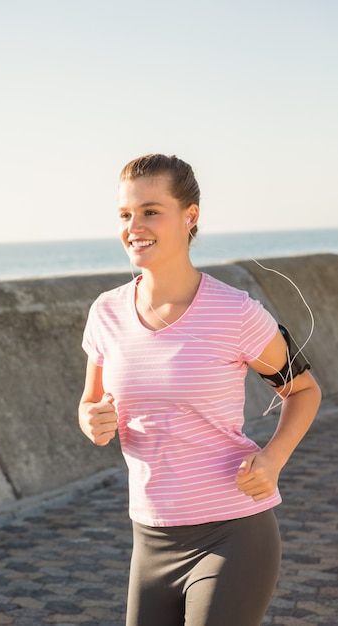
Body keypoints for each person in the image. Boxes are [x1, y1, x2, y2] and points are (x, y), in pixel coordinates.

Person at [78, 154, 321, 626]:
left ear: (190, 218)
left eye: (151, 211)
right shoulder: (106, 313)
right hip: (149, 539)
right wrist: (91, 419)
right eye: (125, 214)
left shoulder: (235, 312)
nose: (134, 226)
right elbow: (91, 404)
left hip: (233, 534)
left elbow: (303, 390)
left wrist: (273, 459)